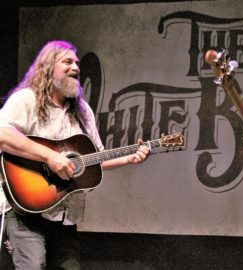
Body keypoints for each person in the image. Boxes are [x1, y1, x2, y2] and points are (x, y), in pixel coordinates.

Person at [0, 40, 150, 270]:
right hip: (24, 209)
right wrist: (49, 157)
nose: (76, 68)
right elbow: (2, 135)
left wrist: (129, 157)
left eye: (77, 63)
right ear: (48, 67)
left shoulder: (83, 112)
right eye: (67, 62)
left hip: (63, 215)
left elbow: (96, 157)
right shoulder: (26, 99)